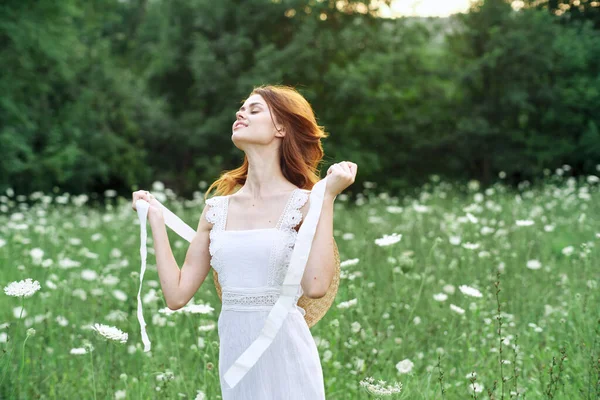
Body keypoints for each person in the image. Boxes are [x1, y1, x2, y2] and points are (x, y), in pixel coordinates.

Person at [132, 84, 357, 399]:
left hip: (288, 358)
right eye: (241, 109)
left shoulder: (307, 203)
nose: (241, 113)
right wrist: (156, 220)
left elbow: (316, 286)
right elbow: (176, 295)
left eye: (254, 109)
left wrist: (327, 197)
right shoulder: (216, 211)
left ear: (281, 127)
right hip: (235, 359)